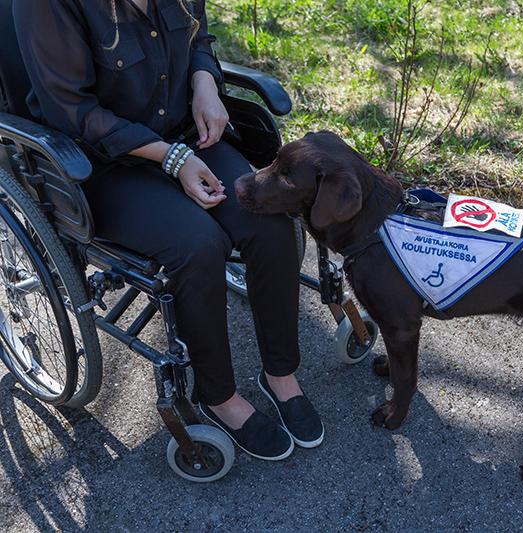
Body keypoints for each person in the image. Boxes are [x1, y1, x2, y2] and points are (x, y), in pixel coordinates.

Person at [13, 0, 324, 460]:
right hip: (97, 166)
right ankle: (218, 397)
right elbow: (70, 109)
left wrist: (205, 83)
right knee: (197, 246)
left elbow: (197, 36)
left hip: (186, 133)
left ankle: (279, 374)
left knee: (269, 222)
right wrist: (169, 158)